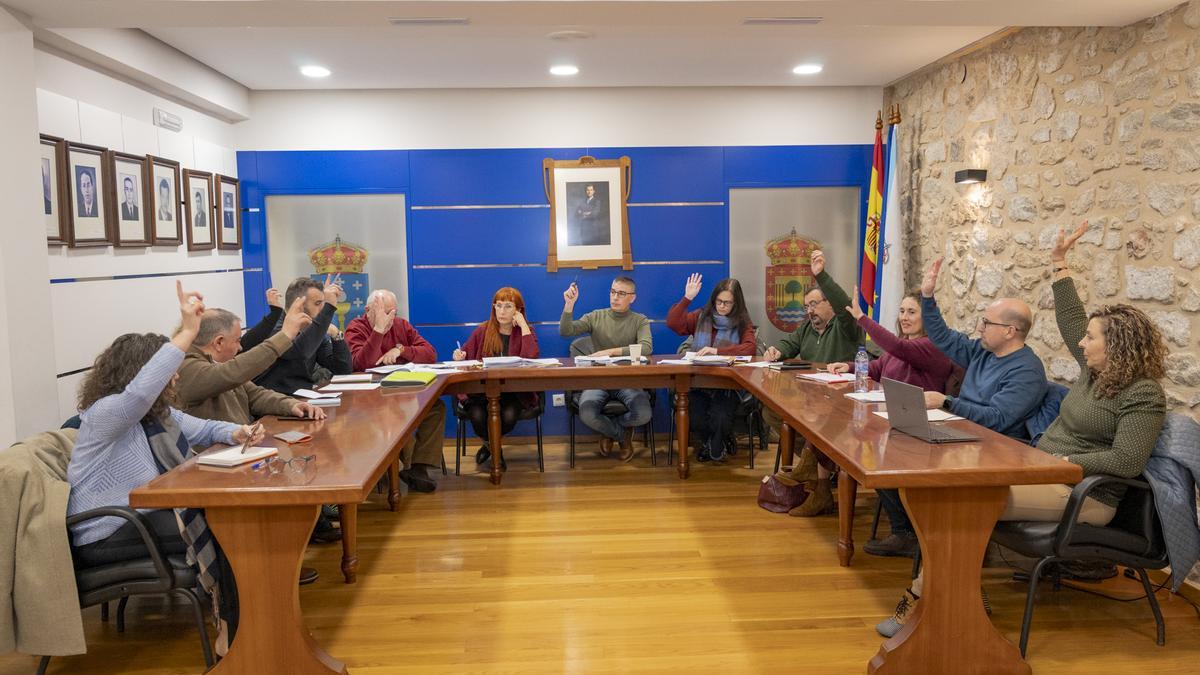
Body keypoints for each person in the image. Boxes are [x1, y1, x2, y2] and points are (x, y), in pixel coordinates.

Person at [66, 282, 264, 643]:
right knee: (226, 531)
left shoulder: (157, 414)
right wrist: (188, 331)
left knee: (229, 522)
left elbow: (202, 427)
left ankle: (242, 623)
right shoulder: (107, 414)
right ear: (141, 372)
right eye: (166, 368)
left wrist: (238, 433)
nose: (174, 375)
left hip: (141, 519)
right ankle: (231, 634)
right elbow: (141, 391)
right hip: (107, 531)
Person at [877, 254, 1060, 638]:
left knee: (943, 505)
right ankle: (967, 591)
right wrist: (928, 296)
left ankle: (922, 594)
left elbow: (998, 420)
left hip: (998, 454)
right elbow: (942, 337)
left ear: (1011, 330)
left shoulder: (1027, 371)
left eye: (987, 323)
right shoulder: (983, 351)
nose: (980, 327)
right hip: (965, 441)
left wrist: (946, 402)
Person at [825, 287, 955, 557]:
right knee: (852, 443)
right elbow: (876, 368)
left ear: (928, 317)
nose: (905, 317)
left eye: (912, 312)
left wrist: (862, 318)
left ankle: (904, 533)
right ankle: (901, 528)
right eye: (902, 311)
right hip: (892, 420)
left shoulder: (932, 346)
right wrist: (847, 366)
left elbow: (898, 348)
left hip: (921, 427)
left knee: (876, 457)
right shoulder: (902, 345)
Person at [760, 250, 862, 516]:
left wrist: (822, 275)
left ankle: (815, 477)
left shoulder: (845, 327)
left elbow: (844, 306)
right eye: (806, 306)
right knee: (771, 410)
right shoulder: (807, 328)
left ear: (829, 304)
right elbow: (789, 343)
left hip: (842, 400)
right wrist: (776, 351)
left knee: (820, 424)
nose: (810, 311)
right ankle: (812, 462)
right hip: (811, 397)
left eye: (814, 304)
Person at [345, 289, 446, 492]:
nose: (390, 318)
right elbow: (360, 364)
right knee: (395, 418)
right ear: (367, 310)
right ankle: (400, 466)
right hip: (370, 398)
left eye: (393, 313)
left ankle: (419, 467)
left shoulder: (401, 325)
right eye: (384, 313)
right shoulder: (356, 328)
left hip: (403, 391)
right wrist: (378, 332)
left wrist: (401, 350)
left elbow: (430, 353)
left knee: (436, 407)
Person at [559, 276, 653, 462]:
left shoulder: (639, 320)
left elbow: (646, 347)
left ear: (632, 298)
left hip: (628, 381)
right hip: (598, 380)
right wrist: (569, 305)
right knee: (586, 413)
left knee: (644, 414)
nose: (615, 297)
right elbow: (566, 331)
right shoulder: (596, 316)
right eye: (612, 292)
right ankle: (621, 436)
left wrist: (610, 352)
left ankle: (609, 431)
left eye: (621, 293)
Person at [666, 273, 757, 462]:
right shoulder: (702, 315)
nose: (722, 306)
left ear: (736, 304)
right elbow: (674, 324)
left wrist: (717, 351)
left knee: (721, 417)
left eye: (727, 303)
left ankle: (715, 445)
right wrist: (687, 298)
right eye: (719, 301)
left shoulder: (742, 322)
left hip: (727, 385)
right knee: (695, 415)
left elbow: (750, 349)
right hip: (698, 382)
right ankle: (717, 443)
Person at [452, 287, 541, 467]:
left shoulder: (525, 331)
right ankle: (495, 449)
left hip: (512, 393)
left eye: (508, 306)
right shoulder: (483, 330)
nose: (501, 311)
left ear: (518, 310)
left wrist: (523, 325)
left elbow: (531, 357)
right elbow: (464, 354)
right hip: (481, 392)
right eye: (498, 306)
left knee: (508, 416)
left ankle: (488, 446)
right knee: (477, 416)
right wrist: (458, 355)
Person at [254, 275, 353, 395]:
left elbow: (343, 370)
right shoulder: (275, 329)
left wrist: (337, 335)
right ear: (299, 305)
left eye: (323, 305)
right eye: (317, 304)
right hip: (275, 404)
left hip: (304, 401)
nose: (321, 310)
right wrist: (329, 307)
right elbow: (299, 351)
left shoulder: (312, 331)